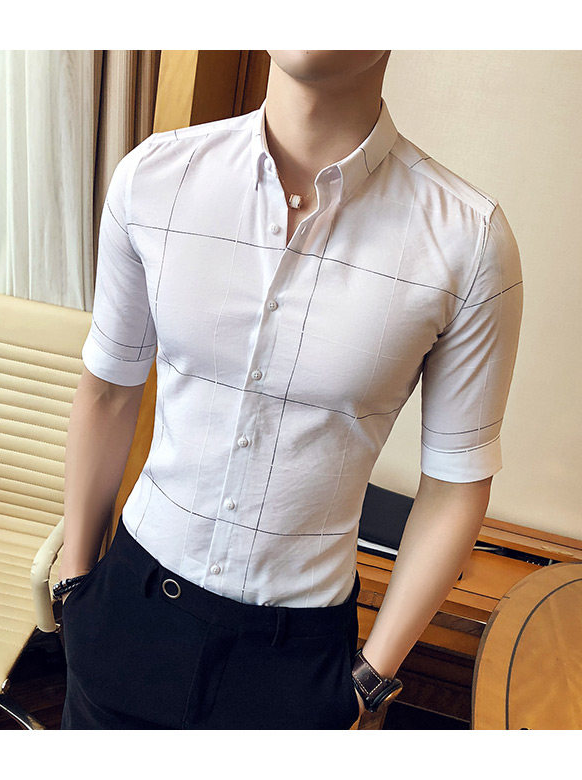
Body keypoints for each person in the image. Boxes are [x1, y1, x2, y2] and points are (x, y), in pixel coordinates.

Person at [55, 50, 523, 730]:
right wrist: (75, 583)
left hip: (298, 660)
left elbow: (455, 483)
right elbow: (108, 391)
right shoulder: (155, 177)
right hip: (128, 610)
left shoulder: (467, 240)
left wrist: (369, 679)